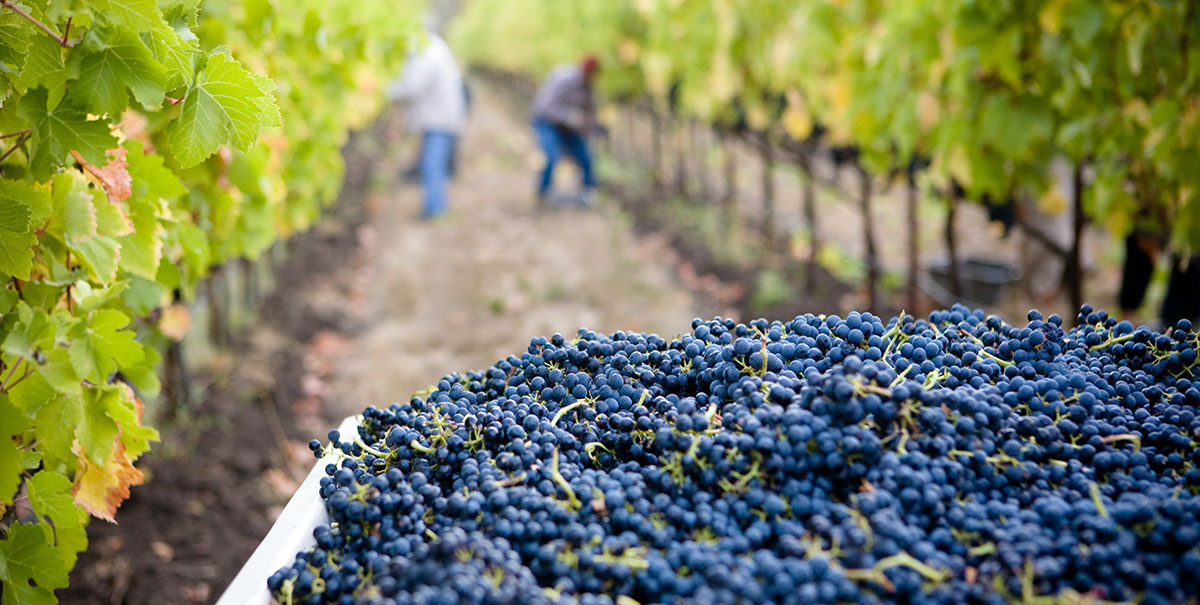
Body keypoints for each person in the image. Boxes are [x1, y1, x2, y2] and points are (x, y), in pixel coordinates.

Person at [388, 32, 467, 220]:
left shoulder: (427, 52)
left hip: (439, 119)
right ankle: (436, 207)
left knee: (432, 164)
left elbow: (412, 86)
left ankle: (435, 209)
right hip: (442, 116)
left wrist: (386, 90)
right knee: (433, 162)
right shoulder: (435, 48)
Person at [531, 56, 600, 207]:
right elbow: (544, 106)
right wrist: (567, 116)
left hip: (568, 127)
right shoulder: (564, 79)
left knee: (586, 156)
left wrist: (593, 126)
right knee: (551, 156)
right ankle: (543, 194)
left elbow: (589, 112)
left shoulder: (589, 86)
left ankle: (588, 192)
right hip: (547, 122)